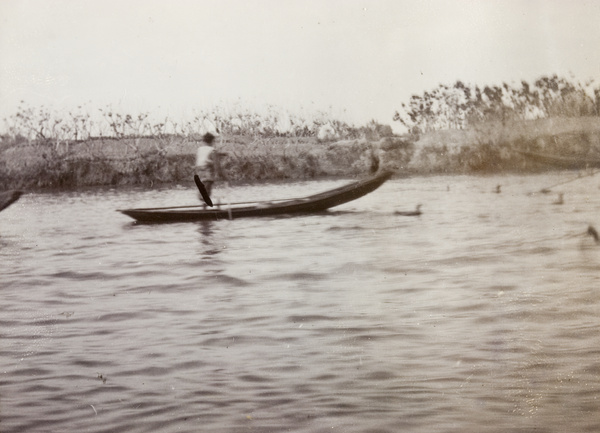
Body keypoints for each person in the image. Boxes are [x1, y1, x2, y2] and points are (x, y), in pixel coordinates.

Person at [194, 132, 221, 198]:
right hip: (207, 170)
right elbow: (216, 164)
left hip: (199, 170)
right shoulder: (212, 150)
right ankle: (204, 203)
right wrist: (219, 174)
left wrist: (221, 154)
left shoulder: (200, 149)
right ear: (212, 141)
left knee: (203, 187)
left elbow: (203, 157)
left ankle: (203, 203)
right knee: (207, 188)